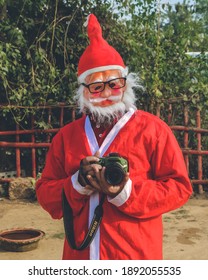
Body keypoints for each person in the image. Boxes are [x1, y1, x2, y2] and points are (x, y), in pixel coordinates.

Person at [36, 14, 193, 260]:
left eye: (115, 84)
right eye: (97, 86)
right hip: (80, 257)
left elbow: (179, 188)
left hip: (135, 257)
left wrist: (126, 191)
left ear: (126, 83)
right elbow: (45, 193)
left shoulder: (153, 130)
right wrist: (77, 183)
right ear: (83, 91)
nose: (107, 93)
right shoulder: (67, 137)